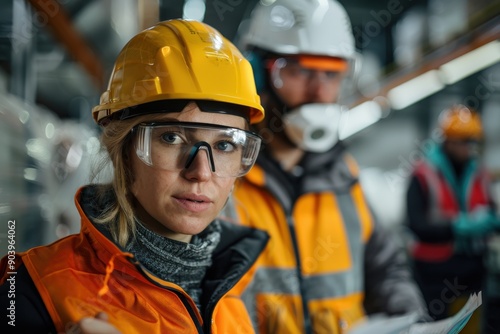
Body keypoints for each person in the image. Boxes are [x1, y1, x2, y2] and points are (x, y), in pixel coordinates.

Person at [0, 19, 269, 333]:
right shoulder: (29, 288)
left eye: (225, 145)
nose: (201, 172)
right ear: (123, 150)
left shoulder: (237, 282)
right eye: (171, 138)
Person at [224, 0, 428, 332]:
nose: (320, 92)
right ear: (257, 73)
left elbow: (387, 269)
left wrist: (410, 321)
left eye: (332, 74)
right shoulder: (221, 179)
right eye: (300, 71)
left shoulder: (344, 175)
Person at [405, 104, 500, 333]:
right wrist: (458, 226)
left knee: (471, 326)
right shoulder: (422, 174)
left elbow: (491, 210)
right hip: (435, 273)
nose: (469, 148)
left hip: (472, 269)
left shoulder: (478, 173)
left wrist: (491, 222)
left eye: (472, 142)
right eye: (464, 141)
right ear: (448, 140)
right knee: (436, 327)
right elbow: (416, 225)